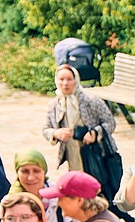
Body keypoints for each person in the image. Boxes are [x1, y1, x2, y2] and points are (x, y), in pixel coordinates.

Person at [44, 58, 122, 188]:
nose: (65, 83)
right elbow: (46, 129)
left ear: (76, 80)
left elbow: (110, 122)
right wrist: (56, 133)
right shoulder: (54, 104)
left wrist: (95, 133)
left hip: (96, 153)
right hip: (72, 152)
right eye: (61, 79)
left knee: (97, 187)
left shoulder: (91, 100)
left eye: (69, 79)